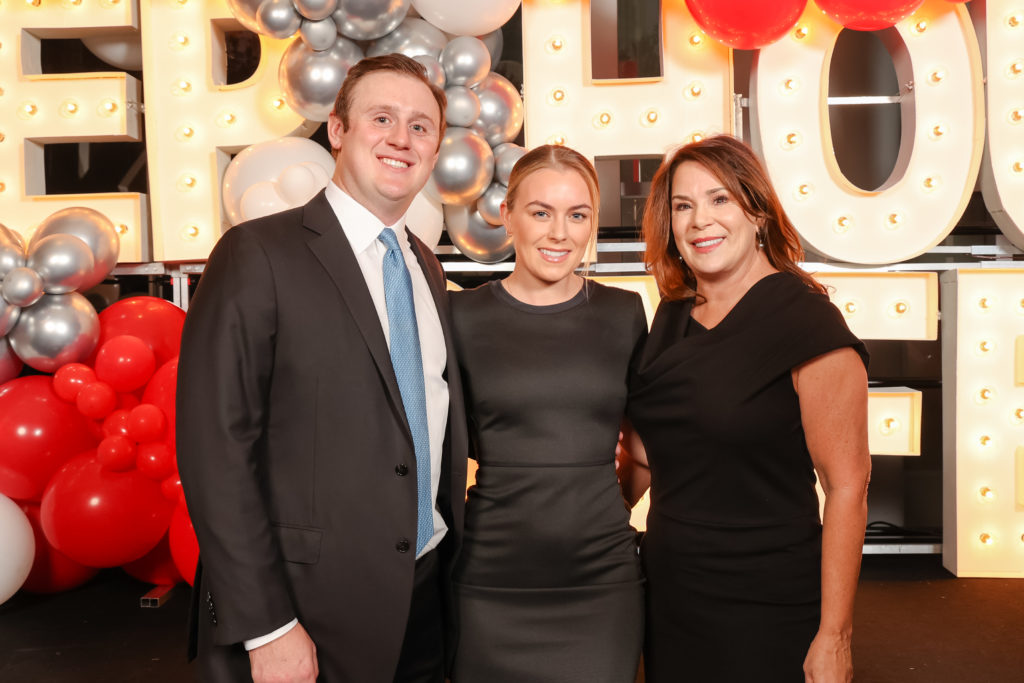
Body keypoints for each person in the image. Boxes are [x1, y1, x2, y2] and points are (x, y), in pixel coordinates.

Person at [176, 54, 468, 683]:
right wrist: (267, 626)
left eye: (421, 126)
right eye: (381, 117)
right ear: (336, 130)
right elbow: (215, 450)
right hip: (304, 612)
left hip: (425, 593)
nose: (401, 138)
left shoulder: (426, 267)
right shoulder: (257, 253)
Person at [626, 135, 871, 682]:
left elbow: (848, 486)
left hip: (768, 597)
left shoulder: (809, 326)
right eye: (682, 207)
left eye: (719, 200)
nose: (698, 222)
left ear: (756, 212)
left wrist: (836, 635)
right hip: (671, 590)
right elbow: (646, 453)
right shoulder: (669, 317)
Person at [448, 145, 646, 682]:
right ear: (507, 215)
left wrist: (594, 505)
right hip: (491, 577)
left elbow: (646, 453)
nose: (559, 233)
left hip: (600, 579)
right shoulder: (458, 317)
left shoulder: (624, 312)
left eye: (577, 215)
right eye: (541, 212)